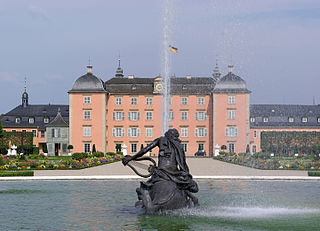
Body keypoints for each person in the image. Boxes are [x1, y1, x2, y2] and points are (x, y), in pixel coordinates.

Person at [122, 128, 198, 212]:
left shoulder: (161, 140)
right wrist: (186, 175)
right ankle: (192, 198)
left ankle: (145, 194)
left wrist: (132, 158)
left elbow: (145, 150)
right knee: (182, 185)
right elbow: (182, 163)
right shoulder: (179, 145)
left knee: (146, 185)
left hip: (162, 172)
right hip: (175, 173)